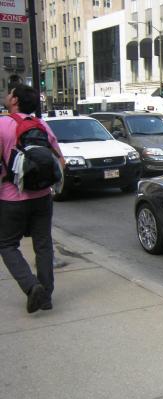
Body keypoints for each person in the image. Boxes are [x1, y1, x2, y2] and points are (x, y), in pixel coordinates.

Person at [0, 84, 65, 313]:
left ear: (15, 100)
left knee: (7, 244)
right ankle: (45, 297)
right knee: (43, 245)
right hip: (42, 197)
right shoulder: (42, 125)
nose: (7, 96)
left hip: (11, 197)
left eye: (9, 93)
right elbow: (60, 160)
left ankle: (31, 286)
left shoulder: (3, 124)